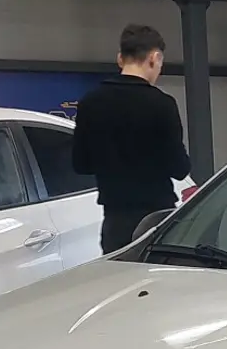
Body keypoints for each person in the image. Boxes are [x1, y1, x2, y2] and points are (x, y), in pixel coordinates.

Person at [74, 23, 192, 252]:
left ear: (120, 59)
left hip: (115, 221)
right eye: (160, 63)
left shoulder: (90, 102)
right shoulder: (162, 104)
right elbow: (179, 168)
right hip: (155, 219)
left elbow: (81, 164)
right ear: (154, 58)